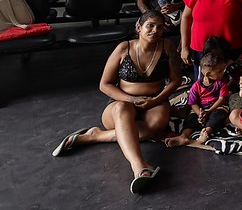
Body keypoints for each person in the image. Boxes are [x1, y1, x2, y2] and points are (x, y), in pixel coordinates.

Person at [51, 11, 182, 194]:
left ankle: (95, 136)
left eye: (160, 27)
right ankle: (140, 167)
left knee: (155, 127)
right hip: (121, 103)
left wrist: (155, 101)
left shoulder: (167, 47)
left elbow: (176, 80)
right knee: (123, 109)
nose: (155, 30)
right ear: (139, 27)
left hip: (155, 102)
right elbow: (104, 84)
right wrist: (130, 99)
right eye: (150, 25)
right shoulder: (124, 48)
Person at [165, 52, 230, 147]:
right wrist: (200, 114)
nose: (223, 73)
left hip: (217, 107)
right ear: (208, 74)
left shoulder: (222, 82)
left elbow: (222, 98)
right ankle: (184, 136)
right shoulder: (196, 86)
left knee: (218, 116)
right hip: (201, 109)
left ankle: (206, 132)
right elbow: (193, 103)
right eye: (219, 71)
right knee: (191, 119)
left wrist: (209, 111)